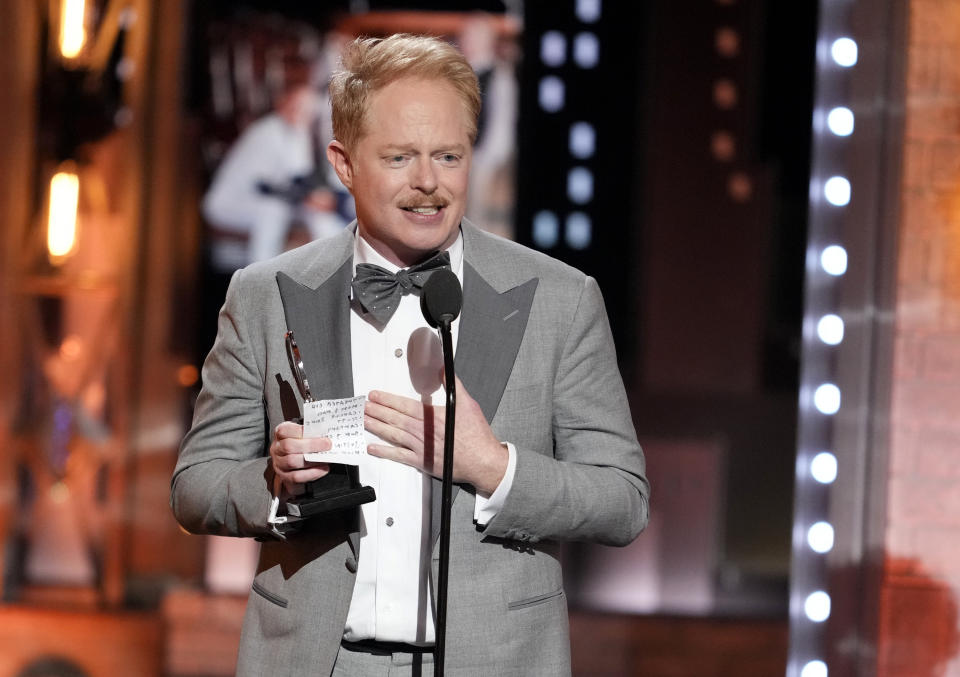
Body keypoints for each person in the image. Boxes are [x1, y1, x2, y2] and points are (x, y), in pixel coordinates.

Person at [172, 34, 649, 676]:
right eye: (400, 158)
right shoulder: (266, 295)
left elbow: (621, 499)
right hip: (318, 661)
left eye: (448, 156)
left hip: (491, 662)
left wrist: (494, 467)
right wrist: (276, 485)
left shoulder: (560, 300)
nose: (429, 183)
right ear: (343, 163)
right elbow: (195, 485)